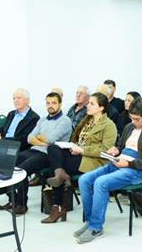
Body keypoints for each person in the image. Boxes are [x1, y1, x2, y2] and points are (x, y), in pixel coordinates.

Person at [75, 98, 142, 243]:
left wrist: (129, 164)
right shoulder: (129, 127)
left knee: (101, 183)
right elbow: (121, 146)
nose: (134, 122)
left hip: (138, 169)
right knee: (84, 180)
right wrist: (116, 149)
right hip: (119, 162)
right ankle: (90, 221)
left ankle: (96, 228)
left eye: (137, 119)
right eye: (132, 118)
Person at [43, 92, 117, 223]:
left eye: (92, 104)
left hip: (93, 160)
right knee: (52, 148)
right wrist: (72, 147)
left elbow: (105, 150)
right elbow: (76, 139)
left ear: (101, 108)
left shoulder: (109, 125)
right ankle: (60, 175)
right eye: (88, 103)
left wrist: (82, 150)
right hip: (77, 154)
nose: (88, 106)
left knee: (53, 169)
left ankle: (58, 207)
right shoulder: (87, 120)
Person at [6, 92, 73, 215]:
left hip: (50, 154)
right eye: (48, 103)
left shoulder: (65, 121)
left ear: (60, 104)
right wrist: (42, 141)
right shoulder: (43, 119)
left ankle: (22, 204)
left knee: (22, 170)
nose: (50, 106)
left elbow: (51, 139)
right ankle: (13, 199)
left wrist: (41, 140)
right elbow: (29, 138)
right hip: (36, 149)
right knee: (9, 163)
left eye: (54, 103)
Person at [0, 88, 40, 154]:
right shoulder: (11, 114)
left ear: (27, 100)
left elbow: (24, 140)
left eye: (19, 98)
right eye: (14, 98)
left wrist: (1, 139)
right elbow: (2, 129)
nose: (15, 100)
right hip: (3, 143)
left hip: (16, 147)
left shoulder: (34, 118)